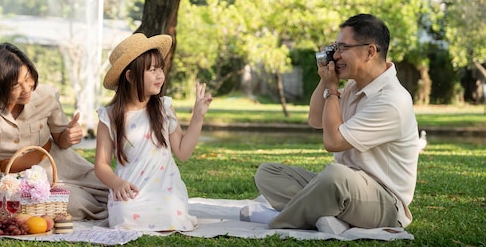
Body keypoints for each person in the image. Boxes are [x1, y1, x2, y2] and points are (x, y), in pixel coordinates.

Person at [254, 14, 419, 230]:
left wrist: (333, 90)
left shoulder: (392, 100)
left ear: (370, 51)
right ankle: (330, 216)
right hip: (344, 188)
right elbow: (315, 120)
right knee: (268, 173)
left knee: (334, 177)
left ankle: (278, 223)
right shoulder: (354, 86)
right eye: (335, 47)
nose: (336, 55)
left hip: (385, 204)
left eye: (343, 48)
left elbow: (333, 142)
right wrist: (325, 81)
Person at [0, 42, 109, 220]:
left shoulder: (47, 95)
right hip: (13, 181)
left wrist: (69, 136)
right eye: (15, 85)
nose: (27, 88)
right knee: (74, 204)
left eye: (28, 76)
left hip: (57, 164)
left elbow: (60, 140)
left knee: (111, 188)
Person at [94, 33, 213, 231]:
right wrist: (117, 184)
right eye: (152, 70)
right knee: (124, 215)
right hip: (131, 191)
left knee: (170, 213)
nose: (160, 75)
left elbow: (183, 152)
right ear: (130, 76)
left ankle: (170, 208)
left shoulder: (164, 107)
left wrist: (198, 117)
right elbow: (101, 165)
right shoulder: (109, 116)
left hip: (164, 188)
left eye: (160, 69)